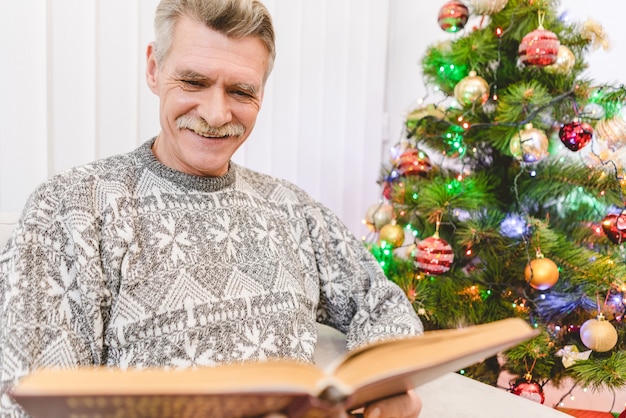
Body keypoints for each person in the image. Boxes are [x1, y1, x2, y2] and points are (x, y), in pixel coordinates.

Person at [0, 0, 423, 416]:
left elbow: (382, 304)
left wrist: (386, 388)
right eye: (193, 82)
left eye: (241, 91)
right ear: (154, 68)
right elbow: (30, 398)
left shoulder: (292, 208)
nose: (217, 114)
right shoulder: (71, 209)